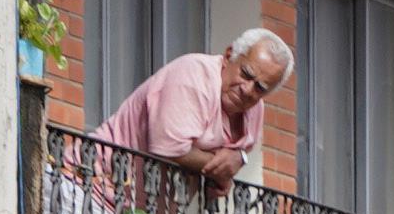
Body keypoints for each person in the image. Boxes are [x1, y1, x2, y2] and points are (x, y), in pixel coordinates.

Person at [96, 25, 292, 186]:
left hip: (145, 213)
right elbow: (169, 147)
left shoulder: (255, 109)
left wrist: (239, 158)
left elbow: (235, 156)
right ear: (229, 55)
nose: (248, 90)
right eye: (246, 74)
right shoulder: (194, 75)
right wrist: (223, 172)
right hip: (94, 185)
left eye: (260, 87)